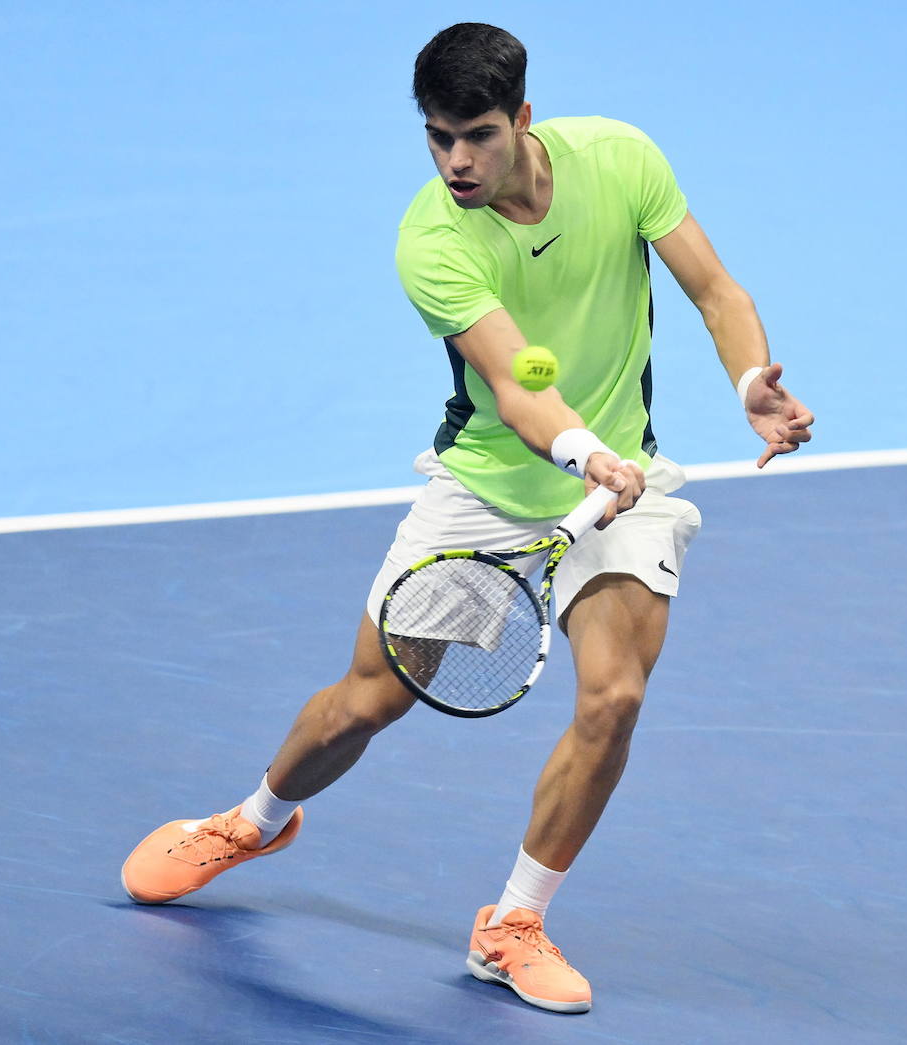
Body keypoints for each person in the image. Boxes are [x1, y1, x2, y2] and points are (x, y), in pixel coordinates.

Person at [122, 22, 813, 1015]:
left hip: (624, 487)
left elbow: (716, 288)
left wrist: (751, 377)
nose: (456, 160)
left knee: (613, 698)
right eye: (438, 136)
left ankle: (514, 922)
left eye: (477, 135)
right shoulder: (433, 238)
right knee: (371, 699)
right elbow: (513, 385)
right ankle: (253, 819)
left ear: (523, 120)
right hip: (491, 485)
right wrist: (586, 454)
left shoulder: (622, 159)